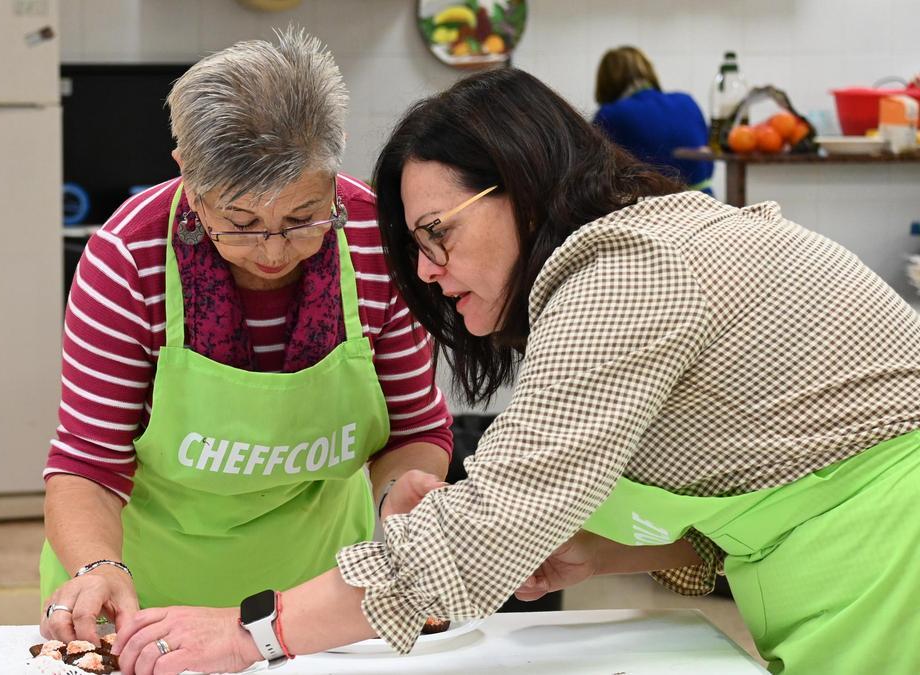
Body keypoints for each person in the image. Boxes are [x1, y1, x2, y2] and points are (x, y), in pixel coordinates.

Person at [107, 66, 920, 675]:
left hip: (890, 556)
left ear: (520, 184)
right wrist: (602, 553)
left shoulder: (628, 273)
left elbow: (484, 520)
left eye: (438, 233)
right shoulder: (629, 261)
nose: (426, 272)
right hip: (832, 569)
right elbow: (750, 484)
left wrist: (254, 632)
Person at [38, 28, 453, 647]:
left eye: (304, 216)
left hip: (315, 599)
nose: (276, 249)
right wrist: (99, 567)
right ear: (188, 178)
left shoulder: (376, 240)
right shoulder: (129, 257)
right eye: (241, 223)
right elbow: (89, 462)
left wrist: (399, 497)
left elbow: (413, 428)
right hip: (148, 598)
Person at [594, 46, 713, 194]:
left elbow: (595, 178)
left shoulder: (611, 114)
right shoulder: (686, 101)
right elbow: (708, 166)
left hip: (653, 210)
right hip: (706, 204)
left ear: (606, 83)